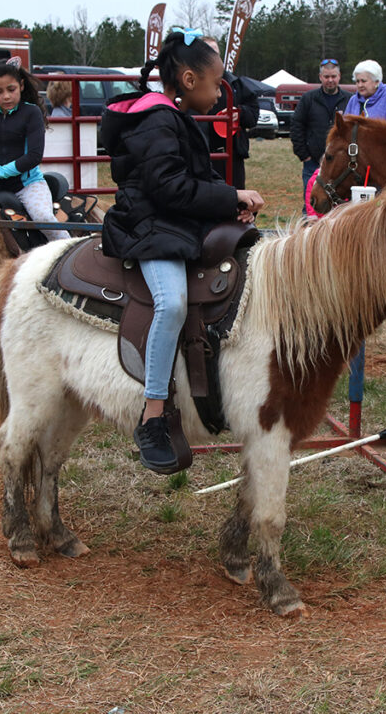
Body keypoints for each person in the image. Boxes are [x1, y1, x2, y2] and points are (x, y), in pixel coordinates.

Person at [100, 30, 264, 474]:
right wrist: (227, 199)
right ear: (190, 80)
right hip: (150, 227)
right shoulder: (158, 121)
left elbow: (194, 177)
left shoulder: (175, 119)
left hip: (171, 222)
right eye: (215, 84)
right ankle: (153, 415)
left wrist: (232, 197)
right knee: (171, 304)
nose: (219, 93)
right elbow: (168, 188)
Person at [0, 57, 69, 241]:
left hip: (29, 185)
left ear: (21, 86)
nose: (6, 96)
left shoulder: (31, 113)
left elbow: (33, 156)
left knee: (44, 218)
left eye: (11, 89)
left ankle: (69, 251)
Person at [291, 59, 352, 209]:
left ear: (339, 76)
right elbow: (296, 125)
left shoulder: (350, 100)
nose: (330, 80)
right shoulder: (309, 99)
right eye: (326, 77)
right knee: (312, 206)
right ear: (320, 77)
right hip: (313, 163)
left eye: (333, 76)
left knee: (340, 207)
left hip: (339, 166)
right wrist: (303, 154)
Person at [200, 36, 259, 189]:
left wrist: (239, 113)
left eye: (215, 53)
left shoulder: (234, 84)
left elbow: (253, 116)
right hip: (200, 155)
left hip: (231, 157)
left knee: (235, 204)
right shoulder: (189, 84)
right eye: (207, 52)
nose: (212, 57)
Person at [344, 60, 386, 126]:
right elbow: (345, 126)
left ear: (376, 82)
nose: (360, 85)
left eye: (363, 81)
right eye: (357, 81)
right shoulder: (353, 100)